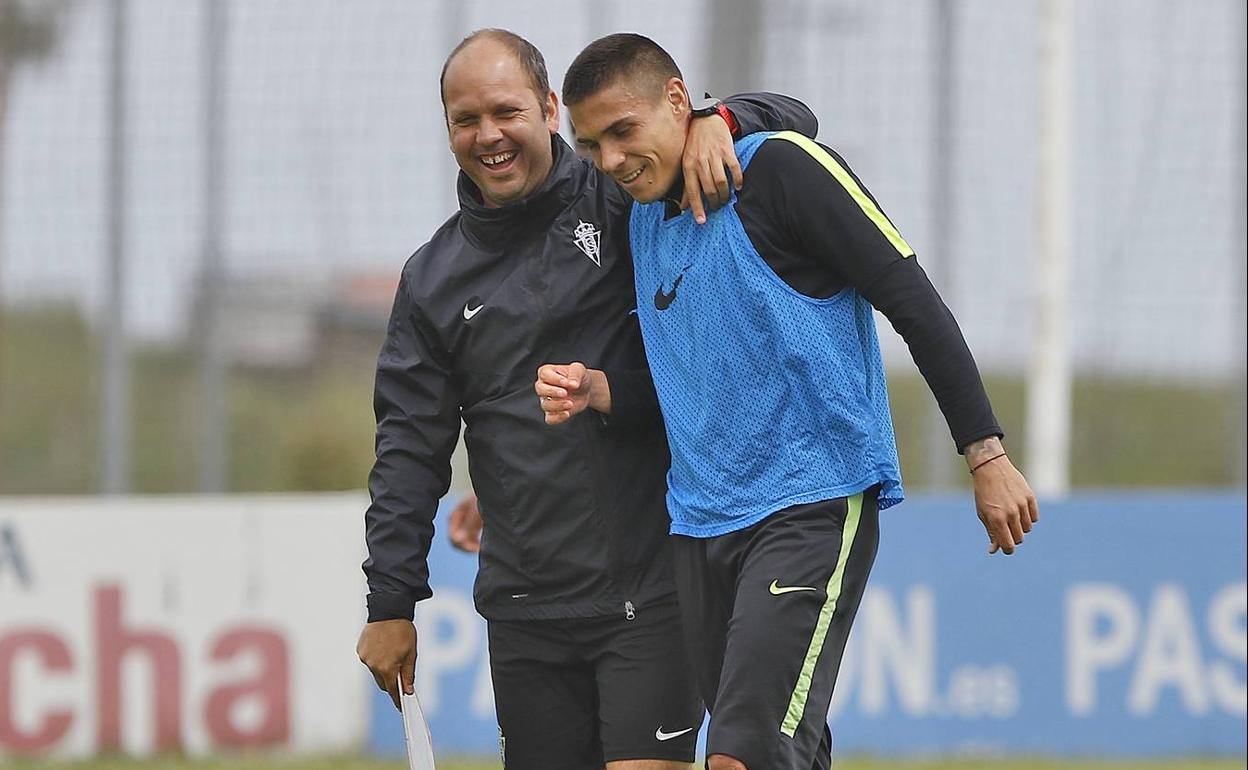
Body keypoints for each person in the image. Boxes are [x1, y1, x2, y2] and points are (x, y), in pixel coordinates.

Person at [544, 33, 1040, 770]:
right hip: (700, 527)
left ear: (678, 103)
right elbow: (697, 374)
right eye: (590, 145)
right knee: (784, 752)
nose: (611, 161)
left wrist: (987, 453)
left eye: (623, 131)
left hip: (809, 503)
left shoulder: (778, 170)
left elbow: (914, 302)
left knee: (738, 756)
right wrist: (605, 391)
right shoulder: (642, 218)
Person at [355, 28, 817, 770]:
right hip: (524, 613)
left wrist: (718, 120)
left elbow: (795, 117)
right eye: (464, 120)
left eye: (505, 112)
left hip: (655, 591)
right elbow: (408, 448)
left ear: (546, 108)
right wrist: (389, 603)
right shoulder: (432, 280)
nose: (488, 136)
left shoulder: (628, 198)